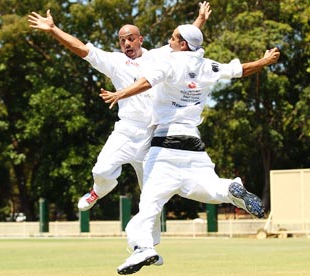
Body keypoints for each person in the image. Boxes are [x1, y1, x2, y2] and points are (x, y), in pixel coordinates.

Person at [27, 3, 211, 267]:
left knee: (151, 196)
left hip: (155, 137)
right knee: (102, 169)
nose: (126, 43)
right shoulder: (114, 62)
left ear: (140, 39)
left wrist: (200, 19)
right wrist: (54, 29)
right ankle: (98, 190)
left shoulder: (159, 56)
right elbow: (81, 49)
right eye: (122, 39)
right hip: (127, 130)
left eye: (131, 38)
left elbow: (184, 40)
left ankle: (147, 248)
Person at [100, 24, 280, 274]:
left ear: (183, 44)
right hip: (194, 145)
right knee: (209, 189)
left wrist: (121, 94)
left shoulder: (170, 63)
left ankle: (143, 249)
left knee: (149, 206)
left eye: (173, 38)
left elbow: (146, 82)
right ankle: (230, 187)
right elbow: (240, 70)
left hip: (164, 146)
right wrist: (264, 60)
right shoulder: (208, 65)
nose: (169, 41)